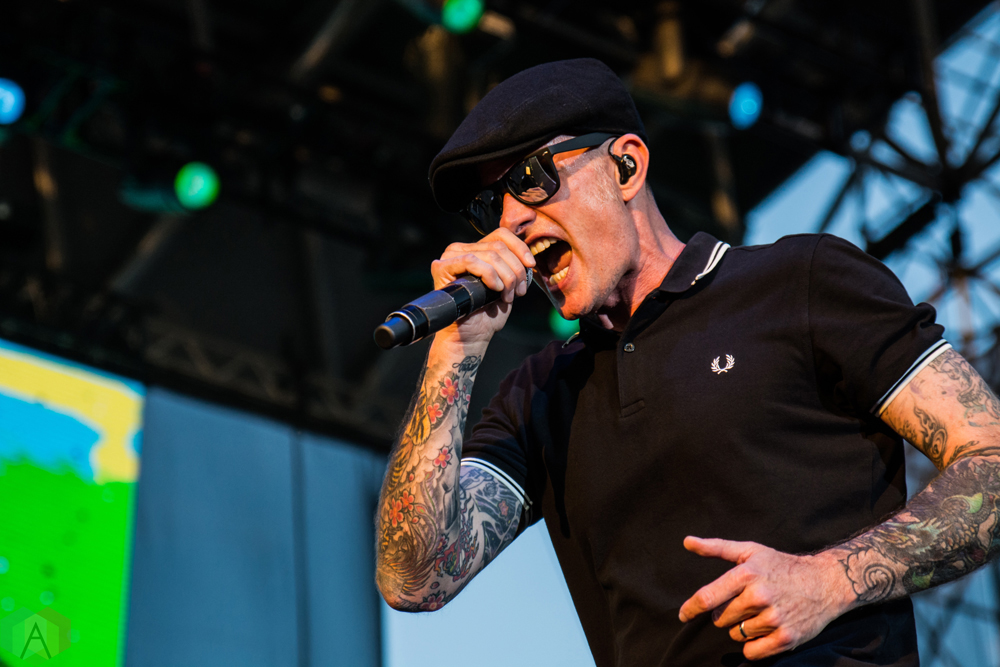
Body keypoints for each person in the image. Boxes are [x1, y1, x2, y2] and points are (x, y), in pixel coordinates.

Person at [374, 58, 1000, 666]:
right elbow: (414, 579)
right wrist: (455, 349)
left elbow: (992, 460)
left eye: (531, 178)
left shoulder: (799, 282)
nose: (509, 220)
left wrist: (829, 581)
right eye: (489, 206)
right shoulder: (539, 394)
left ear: (625, 166)